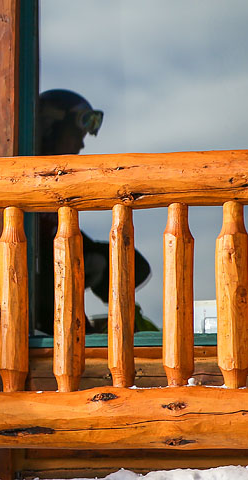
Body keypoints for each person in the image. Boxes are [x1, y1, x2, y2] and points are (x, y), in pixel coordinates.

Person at [33, 89, 158, 335]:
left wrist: (95, 263)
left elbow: (136, 268)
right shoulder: (25, 186)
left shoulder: (57, 195)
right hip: (39, 329)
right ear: (50, 130)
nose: (81, 145)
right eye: (75, 135)